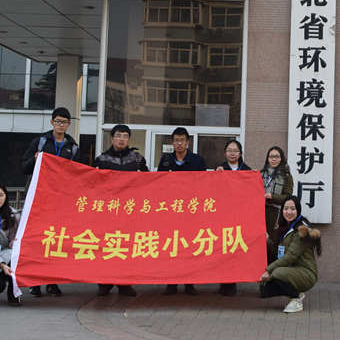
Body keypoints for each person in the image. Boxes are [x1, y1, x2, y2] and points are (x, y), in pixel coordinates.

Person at [21, 107, 82, 297]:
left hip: (60, 201)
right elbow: (24, 168)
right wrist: (35, 160)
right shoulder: (40, 142)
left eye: (64, 122)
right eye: (57, 121)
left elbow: (78, 174)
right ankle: (34, 282)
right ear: (52, 122)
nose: (60, 125)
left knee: (56, 241)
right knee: (37, 240)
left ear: (69, 124)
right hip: (39, 199)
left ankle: (52, 281)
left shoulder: (73, 147)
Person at [93, 124, 147, 297]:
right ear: (112, 138)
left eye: (125, 136)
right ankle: (105, 282)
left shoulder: (137, 159)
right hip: (108, 211)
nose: (121, 139)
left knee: (126, 246)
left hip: (130, 211)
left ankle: (125, 283)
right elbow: (93, 184)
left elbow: (148, 182)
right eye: (118, 135)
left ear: (129, 139)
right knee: (107, 245)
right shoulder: (102, 159)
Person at [157, 126, 206, 295]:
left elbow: (204, 185)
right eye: (176, 140)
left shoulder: (198, 161)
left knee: (190, 248)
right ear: (172, 142)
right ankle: (171, 282)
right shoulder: (165, 160)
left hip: (191, 213)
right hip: (171, 212)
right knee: (171, 247)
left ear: (188, 142)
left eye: (182, 140)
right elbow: (159, 184)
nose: (179, 143)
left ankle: (189, 282)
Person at [259, 195, 321, 313]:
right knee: (265, 289)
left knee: (276, 273)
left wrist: (268, 270)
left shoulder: (301, 231)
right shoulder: (285, 227)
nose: (289, 212)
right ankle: (296, 293)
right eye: (286, 208)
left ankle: (296, 299)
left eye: (292, 209)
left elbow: (289, 257)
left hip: (306, 273)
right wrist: (267, 240)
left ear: (298, 210)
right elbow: (278, 251)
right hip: (292, 269)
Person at [214, 139, 252, 296]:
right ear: (225, 153)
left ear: (240, 153)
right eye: (229, 150)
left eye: (235, 151)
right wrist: (216, 176)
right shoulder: (220, 169)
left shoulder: (247, 170)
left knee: (234, 249)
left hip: (239, 216)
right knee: (223, 250)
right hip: (223, 216)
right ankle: (223, 282)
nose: (232, 153)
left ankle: (232, 283)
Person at [261, 146, 294, 232]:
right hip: (259, 211)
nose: (273, 159)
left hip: (276, 213)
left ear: (281, 158)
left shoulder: (286, 176)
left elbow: (288, 197)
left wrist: (272, 196)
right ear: (267, 159)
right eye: (271, 157)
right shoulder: (261, 174)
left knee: (273, 237)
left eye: (276, 157)